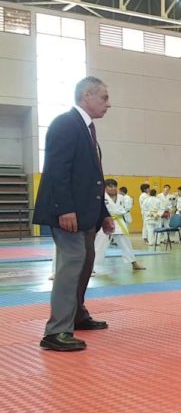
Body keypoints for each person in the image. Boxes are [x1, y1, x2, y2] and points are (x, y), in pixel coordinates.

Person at [32, 76, 114, 352]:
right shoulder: (65, 124)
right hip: (67, 213)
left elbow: (95, 180)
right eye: (104, 98)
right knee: (73, 261)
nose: (108, 104)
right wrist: (64, 209)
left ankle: (76, 314)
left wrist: (103, 213)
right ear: (87, 95)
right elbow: (56, 171)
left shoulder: (88, 131)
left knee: (87, 260)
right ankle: (56, 331)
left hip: (87, 213)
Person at [94, 179, 146, 271]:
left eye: (115, 186)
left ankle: (134, 263)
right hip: (106, 222)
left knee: (126, 243)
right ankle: (91, 267)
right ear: (105, 188)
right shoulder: (101, 197)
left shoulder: (121, 197)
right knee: (99, 245)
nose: (113, 188)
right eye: (110, 186)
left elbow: (123, 209)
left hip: (119, 221)